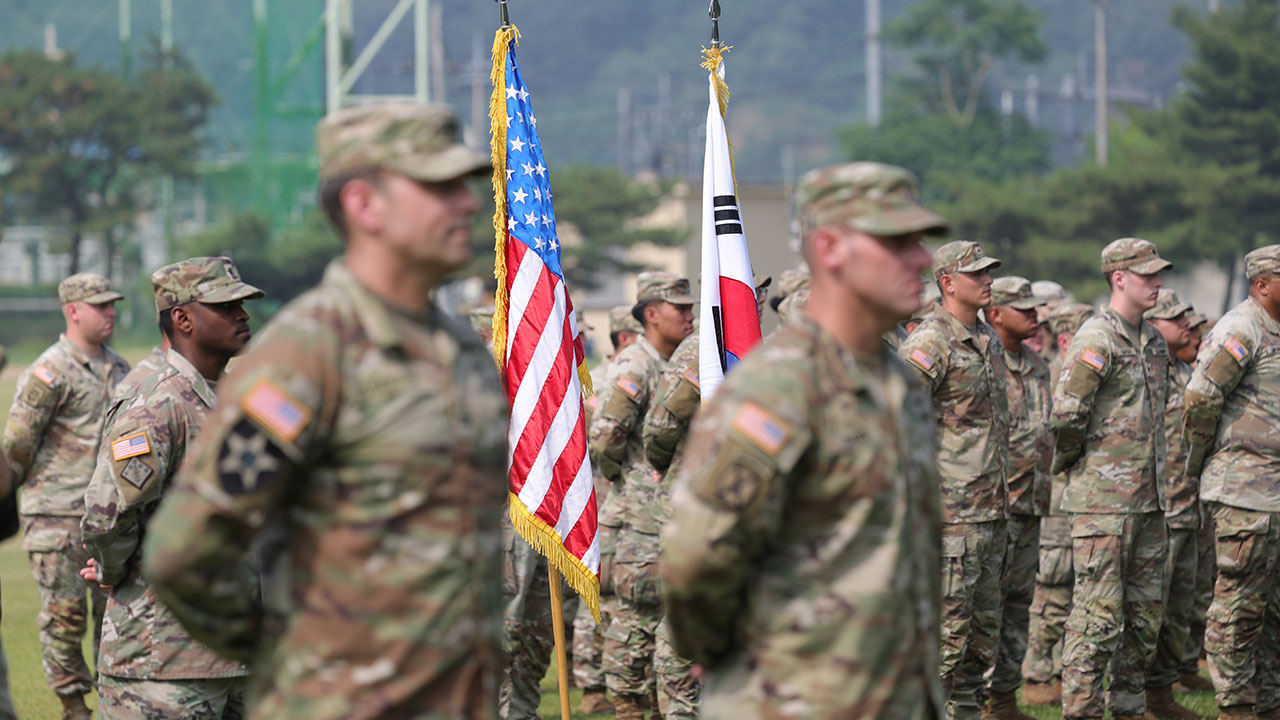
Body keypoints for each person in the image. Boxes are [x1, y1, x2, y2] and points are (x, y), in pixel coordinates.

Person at [142, 102, 509, 719]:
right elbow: (185, 551)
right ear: (365, 205)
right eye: (439, 187)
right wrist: (295, 666)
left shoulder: (461, 351)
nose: (469, 204)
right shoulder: (307, 355)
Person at [662, 161, 948, 718]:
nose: (921, 259)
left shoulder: (896, 383)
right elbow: (699, 553)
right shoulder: (780, 388)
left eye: (919, 240)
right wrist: (719, 651)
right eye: (897, 241)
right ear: (830, 248)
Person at [81, 257, 264, 717]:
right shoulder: (155, 400)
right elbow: (108, 518)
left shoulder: (232, 391)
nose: (243, 315)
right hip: (163, 664)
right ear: (182, 318)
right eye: (226, 306)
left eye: (242, 305)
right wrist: (111, 573)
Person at [1052, 237, 1172, 720]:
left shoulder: (1155, 340)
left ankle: (1129, 708)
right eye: (1148, 275)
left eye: (1160, 273)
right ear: (1119, 279)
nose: (1158, 282)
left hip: (1149, 501)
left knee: (1143, 621)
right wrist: (1086, 469)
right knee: (1096, 620)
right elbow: (1066, 416)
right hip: (1103, 504)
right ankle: (1081, 711)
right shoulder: (1096, 337)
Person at [2, 272, 130, 720]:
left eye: (112, 303)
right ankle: (74, 708)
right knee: (65, 618)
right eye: (100, 305)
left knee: (116, 619)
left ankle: (117, 704)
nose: (110, 311)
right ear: (73, 311)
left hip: (109, 520)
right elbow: (16, 446)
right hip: (56, 517)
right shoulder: (49, 371)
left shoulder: (121, 368)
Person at [899, 240, 1010, 720]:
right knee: (943, 645)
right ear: (947, 282)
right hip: (948, 519)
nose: (988, 281)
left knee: (979, 648)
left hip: (990, 513)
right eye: (977, 274)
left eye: (989, 273)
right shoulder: (931, 341)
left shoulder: (985, 337)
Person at [590, 271, 695, 719]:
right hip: (638, 514)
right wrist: (631, 479)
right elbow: (605, 436)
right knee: (637, 613)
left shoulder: (679, 360)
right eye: (681, 308)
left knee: (663, 616)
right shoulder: (637, 363)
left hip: (667, 512)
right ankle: (627, 702)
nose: (690, 316)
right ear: (651, 314)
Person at [1183, 245, 1280, 720]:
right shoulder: (1241, 329)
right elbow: (1200, 397)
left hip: (1275, 495)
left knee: (1273, 609)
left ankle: (1270, 701)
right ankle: (1237, 706)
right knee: (1238, 606)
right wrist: (1205, 459)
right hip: (1244, 492)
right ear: (1261, 285)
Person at [984, 277, 1051, 720]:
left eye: (1035, 307)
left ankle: (1004, 701)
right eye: (1022, 307)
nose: (1034, 314)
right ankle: (975, 700)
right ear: (995, 314)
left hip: (1030, 505)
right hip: (991, 507)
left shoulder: (1036, 363)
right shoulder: (983, 360)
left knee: (1018, 606)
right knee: (983, 609)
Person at [1022, 301, 1095, 705]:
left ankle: (1064, 671)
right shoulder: (1051, 374)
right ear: (1066, 337)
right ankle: (1036, 676)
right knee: (1051, 584)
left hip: (1082, 496)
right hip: (1055, 498)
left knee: (1077, 588)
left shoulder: (1083, 371)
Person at [573, 303, 643, 715]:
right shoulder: (596, 380)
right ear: (624, 336)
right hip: (600, 494)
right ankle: (591, 680)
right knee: (594, 588)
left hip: (630, 499)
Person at [1137, 288, 1201, 720]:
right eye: (1175, 318)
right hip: (1155, 510)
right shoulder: (1148, 369)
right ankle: (1131, 697)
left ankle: (1161, 696)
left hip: (1187, 507)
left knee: (1177, 612)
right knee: (1146, 612)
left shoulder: (1184, 371)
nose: (1187, 326)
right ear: (1153, 324)